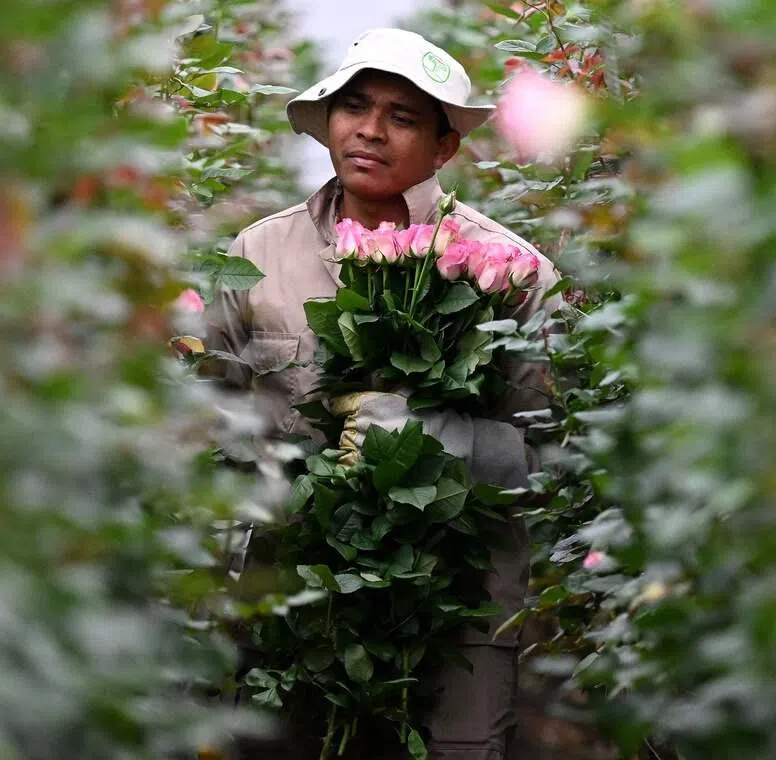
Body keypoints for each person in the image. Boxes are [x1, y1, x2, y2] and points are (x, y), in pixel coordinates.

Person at [202, 28, 562, 760]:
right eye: (354, 106)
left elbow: (552, 456)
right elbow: (209, 420)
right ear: (327, 119)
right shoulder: (255, 257)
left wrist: (435, 439)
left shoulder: (512, 273)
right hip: (300, 595)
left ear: (444, 147)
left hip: (457, 602)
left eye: (402, 116)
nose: (369, 130)